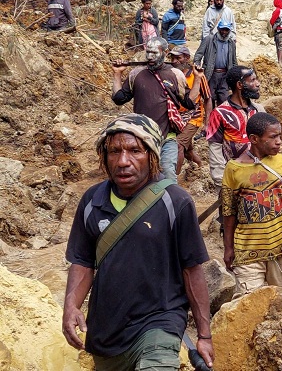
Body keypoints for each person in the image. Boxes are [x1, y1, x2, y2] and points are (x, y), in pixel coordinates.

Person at [63, 114, 214, 369]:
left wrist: (204, 335)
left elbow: (192, 271)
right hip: (108, 332)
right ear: (104, 156)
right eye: (114, 151)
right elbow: (83, 262)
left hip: (160, 323)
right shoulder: (92, 201)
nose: (123, 161)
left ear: (152, 156)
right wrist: (70, 306)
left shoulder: (175, 202)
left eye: (135, 151)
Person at [222, 112, 282, 295]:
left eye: (280, 136)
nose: (279, 141)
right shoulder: (234, 169)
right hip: (247, 251)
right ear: (254, 139)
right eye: (273, 137)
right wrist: (228, 247)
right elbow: (229, 212)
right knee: (247, 305)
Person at [112, 37, 202, 182]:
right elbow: (118, 98)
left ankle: (171, 204)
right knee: (143, 178)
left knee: (168, 175)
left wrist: (197, 79)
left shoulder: (175, 74)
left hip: (167, 138)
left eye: (154, 53)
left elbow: (189, 103)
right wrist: (117, 74)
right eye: (148, 52)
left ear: (165, 53)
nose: (150, 57)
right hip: (142, 139)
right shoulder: (136, 74)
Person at [205, 65, 264, 186]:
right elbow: (215, 148)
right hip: (234, 179)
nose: (258, 84)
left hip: (260, 176)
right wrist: (221, 182)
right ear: (239, 85)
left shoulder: (259, 110)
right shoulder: (219, 113)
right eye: (252, 80)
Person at [169, 46, 210, 175]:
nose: (174, 61)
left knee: (178, 145)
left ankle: (172, 181)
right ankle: (200, 166)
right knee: (187, 150)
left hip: (193, 116)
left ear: (187, 58)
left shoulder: (197, 75)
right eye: (172, 58)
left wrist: (207, 123)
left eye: (178, 58)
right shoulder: (170, 73)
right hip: (176, 117)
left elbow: (207, 98)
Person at [194, 21, 237, 108]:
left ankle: (221, 118)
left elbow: (234, 60)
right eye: (222, 30)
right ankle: (210, 119)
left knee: (224, 98)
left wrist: (236, 74)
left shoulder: (231, 43)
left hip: (225, 75)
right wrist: (196, 65)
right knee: (210, 98)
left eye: (226, 30)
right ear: (218, 29)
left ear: (229, 31)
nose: (224, 32)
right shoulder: (209, 39)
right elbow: (198, 54)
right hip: (211, 73)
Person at [270, 0, 282, 65]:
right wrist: (277, 27)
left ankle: (279, 61)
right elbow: (272, 20)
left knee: (279, 45)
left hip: (279, 31)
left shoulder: (281, 11)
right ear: (281, 2)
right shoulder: (279, 10)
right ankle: (280, 61)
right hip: (280, 31)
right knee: (281, 45)